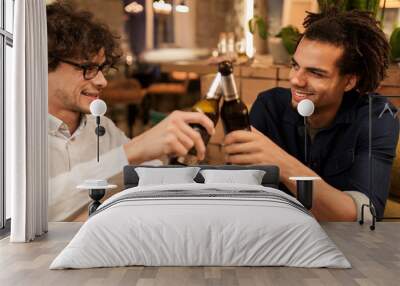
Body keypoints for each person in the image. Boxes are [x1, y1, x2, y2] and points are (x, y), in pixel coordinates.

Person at [224, 9, 399, 221]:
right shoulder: (269, 105)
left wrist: (284, 164)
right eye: (295, 66)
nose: (296, 80)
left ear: (349, 81)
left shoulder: (377, 117)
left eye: (315, 73)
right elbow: (240, 196)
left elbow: (364, 215)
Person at [47, 3, 214, 221]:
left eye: (101, 68)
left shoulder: (102, 128)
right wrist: (133, 150)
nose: (102, 81)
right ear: (43, 64)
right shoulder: (14, 132)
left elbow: (146, 179)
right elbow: (33, 208)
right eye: (87, 68)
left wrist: (175, 161)